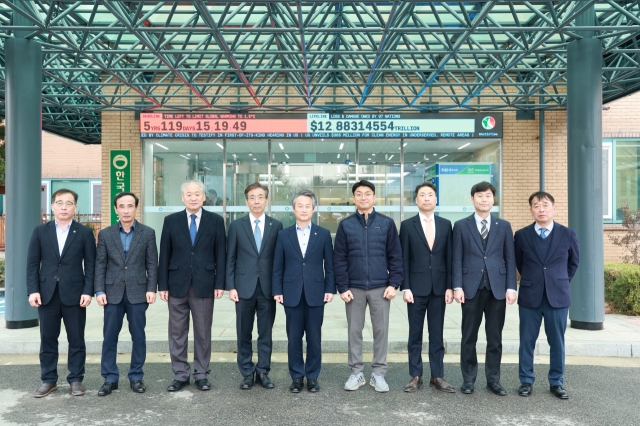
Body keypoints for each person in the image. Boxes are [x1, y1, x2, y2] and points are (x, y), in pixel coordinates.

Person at [334, 180, 403, 393]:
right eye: (359, 194)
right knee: (354, 331)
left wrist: (394, 284)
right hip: (353, 288)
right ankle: (356, 373)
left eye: (367, 193)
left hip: (380, 287)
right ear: (354, 198)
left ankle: (378, 374)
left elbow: (396, 256)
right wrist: (342, 287)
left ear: (374, 197)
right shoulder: (346, 225)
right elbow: (339, 258)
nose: (363, 197)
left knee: (381, 332)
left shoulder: (387, 223)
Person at [26, 189, 96, 398]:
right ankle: (48, 380)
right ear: (52, 206)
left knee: (76, 339)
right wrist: (33, 290)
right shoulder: (40, 231)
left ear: (75, 207)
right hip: (47, 293)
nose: (64, 207)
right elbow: (32, 264)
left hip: (75, 294)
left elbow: (90, 265)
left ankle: (76, 379)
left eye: (69, 203)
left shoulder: (84, 233)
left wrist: (88, 291)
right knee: (48, 338)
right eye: (59, 203)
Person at [157, 180, 226, 392]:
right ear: (182, 197)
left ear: (204, 197)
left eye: (197, 194)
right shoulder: (171, 220)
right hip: (176, 284)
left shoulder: (215, 221)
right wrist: (163, 285)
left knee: (203, 332)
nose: (193, 197)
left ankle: (202, 374)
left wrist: (220, 283)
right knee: (177, 333)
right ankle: (180, 374)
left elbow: (220, 254)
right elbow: (165, 253)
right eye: (189, 194)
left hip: (205, 284)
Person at [453, 181, 517, 396]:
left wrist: (511, 287)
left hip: (497, 289)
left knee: (495, 338)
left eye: (488, 196)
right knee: (468, 336)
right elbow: (456, 258)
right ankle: (469, 379)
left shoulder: (504, 226)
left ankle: (493, 380)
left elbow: (510, 258)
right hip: (470, 288)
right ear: (472, 199)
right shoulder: (461, 226)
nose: (484, 199)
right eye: (479, 196)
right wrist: (457, 286)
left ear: (493, 199)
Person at [515, 191, 579, 399]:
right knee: (527, 341)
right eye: (536, 205)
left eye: (545, 205)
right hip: (530, 296)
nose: (541, 209)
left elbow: (573, 263)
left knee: (557, 341)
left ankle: (556, 382)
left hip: (558, 296)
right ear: (530, 209)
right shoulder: (522, 235)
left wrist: (558, 281)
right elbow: (519, 263)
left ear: (553, 208)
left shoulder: (567, 234)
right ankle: (526, 380)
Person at [94, 192, 158, 396]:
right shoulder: (105, 234)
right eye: (122, 206)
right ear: (116, 209)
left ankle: (136, 376)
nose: (126, 210)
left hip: (138, 292)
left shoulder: (147, 233)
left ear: (136, 208)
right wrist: (99, 290)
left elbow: (152, 264)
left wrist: (151, 289)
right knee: (109, 336)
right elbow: (100, 265)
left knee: (138, 336)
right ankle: (110, 378)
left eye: (130, 206)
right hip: (111, 293)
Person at [272, 190, 335, 393]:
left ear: (314, 209)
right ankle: (297, 377)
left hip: (317, 292)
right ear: (293, 209)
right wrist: (277, 290)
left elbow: (330, 265)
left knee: (314, 338)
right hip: (291, 292)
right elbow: (277, 266)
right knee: (294, 338)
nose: (304, 209)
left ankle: (313, 376)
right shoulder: (283, 235)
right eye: (300, 205)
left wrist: (330, 288)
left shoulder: (323, 234)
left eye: (308, 206)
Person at [399, 182, 455, 393]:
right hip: (416, 288)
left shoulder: (445, 224)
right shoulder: (407, 225)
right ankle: (416, 375)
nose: (426, 198)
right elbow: (403, 258)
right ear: (416, 200)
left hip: (440, 288)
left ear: (436, 199)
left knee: (437, 334)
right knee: (415, 334)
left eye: (430, 195)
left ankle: (437, 376)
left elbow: (449, 258)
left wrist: (450, 286)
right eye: (422, 195)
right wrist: (406, 287)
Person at [226, 183, 283, 389]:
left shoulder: (276, 226)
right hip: (243, 287)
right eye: (252, 197)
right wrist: (231, 286)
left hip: (267, 288)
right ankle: (247, 372)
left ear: (266, 201)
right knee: (244, 332)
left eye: (260, 197)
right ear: (246, 201)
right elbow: (230, 258)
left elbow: (279, 260)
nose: (256, 201)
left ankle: (263, 371)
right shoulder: (236, 226)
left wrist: (279, 288)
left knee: (265, 332)